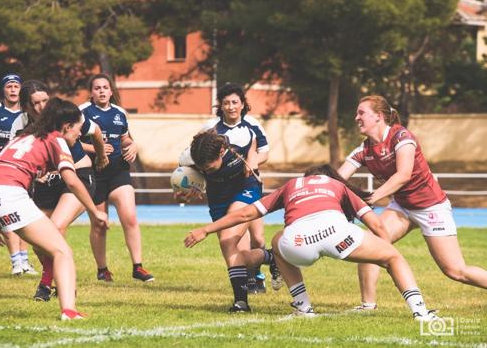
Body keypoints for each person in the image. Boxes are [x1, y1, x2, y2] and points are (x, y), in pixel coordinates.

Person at [184, 165, 441, 321]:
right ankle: (420, 311)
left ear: (307, 176)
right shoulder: (337, 186)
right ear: (328, 177)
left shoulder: (291, 185)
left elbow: (245, 214)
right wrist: (385, 253)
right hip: (339, 236)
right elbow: (376, 225)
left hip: (298, 244)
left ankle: (303, 306)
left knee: (277, 241)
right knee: (394, 257)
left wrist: (206, 230)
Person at [337, 95, 487, 311]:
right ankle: (367, 306)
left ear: (378, 116)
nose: (356, 117)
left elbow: (403, 175)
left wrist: (370, 199)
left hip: (432, 208)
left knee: (455, 271)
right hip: (402, 208)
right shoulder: (363, 150)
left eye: (361, 113)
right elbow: (338, 178)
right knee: (370, 245)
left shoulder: (402, 136)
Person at [0, 97, 108, 320]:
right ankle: (69, 310)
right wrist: (95, 212)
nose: (79, 134)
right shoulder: (57, 140)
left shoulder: (23, 136)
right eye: (78, 129)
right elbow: (73, 181)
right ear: (66, 126)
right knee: (61, 251)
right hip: (7, 193)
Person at [17, 81, 109, 301]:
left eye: (44, 101)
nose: (41, 107)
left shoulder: (63, 115)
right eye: (35, 103)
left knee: (56, 227)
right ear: (26, 107)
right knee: (38, 240)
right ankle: (60, 280)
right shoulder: (20, 125)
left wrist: (101, 156)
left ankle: (46, 284)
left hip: (77, 175)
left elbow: (95, 132)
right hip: (45, 184)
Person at [178, 129, 277, 313]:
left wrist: (252, 158)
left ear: (222, 152)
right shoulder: (189, 157)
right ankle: (272, 257)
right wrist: (189, 189)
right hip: (218, 199)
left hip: (246, 190)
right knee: (241, 257)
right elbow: (188, 179)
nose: (205, 170)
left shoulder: (237, 149)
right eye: (203, 168)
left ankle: (241, 303)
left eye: (209, 167)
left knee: (227, 241)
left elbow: (254, 140)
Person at [79, 73, 154, 283]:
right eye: (97, 88)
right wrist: (94, 148)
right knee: (100, 224)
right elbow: (70, 141)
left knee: (129, 217)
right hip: (94, 173)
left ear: (111, 91)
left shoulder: (119, 112)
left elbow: (126, 139)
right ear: (91, 92)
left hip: (118, 170)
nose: (102, 91)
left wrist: (134, 146)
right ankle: (102, 270)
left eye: (105, 87)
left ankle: (138, 267)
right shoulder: (82, 112)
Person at [201, 82, 270, 293]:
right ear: (220, 106)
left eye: (235, 102)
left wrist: (256, 161)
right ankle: (256, 271)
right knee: (233, 240)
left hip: (247, 186)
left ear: (242, 104)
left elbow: (265, 151)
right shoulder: (210, 128)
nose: (231, 107)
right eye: (226, 103)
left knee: (257, 238)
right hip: (220, 191)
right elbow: (199, 157)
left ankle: (256, 274)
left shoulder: (252, 124)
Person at [0, 73, 37, 275]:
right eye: (9, 86)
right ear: (3, 90)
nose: (13, 89)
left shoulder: (29, 113)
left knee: (24, 212)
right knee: (8, 213)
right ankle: (16, 262)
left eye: (16, 86)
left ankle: (25, 261)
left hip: (23, 169)